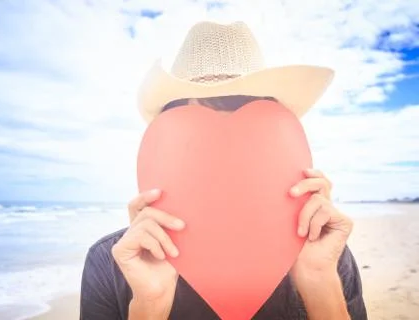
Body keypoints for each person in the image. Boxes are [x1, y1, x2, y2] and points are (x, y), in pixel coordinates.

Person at [80, 21, 368, 319]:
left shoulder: (325, 255)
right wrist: (150, 304)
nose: (225, 158)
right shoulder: (113, 262)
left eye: (251, 135)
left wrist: (319, 282)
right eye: (195, 137)